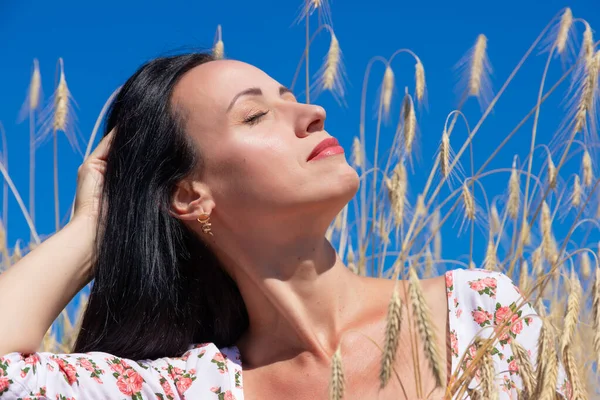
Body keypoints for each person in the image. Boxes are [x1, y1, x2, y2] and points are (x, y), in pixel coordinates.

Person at [0, 52, 568, 400]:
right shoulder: (194, 389)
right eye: (255, 115)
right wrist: (92, 228)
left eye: (291, 97)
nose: (312, 113)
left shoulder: (480, 313)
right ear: (190, 196)